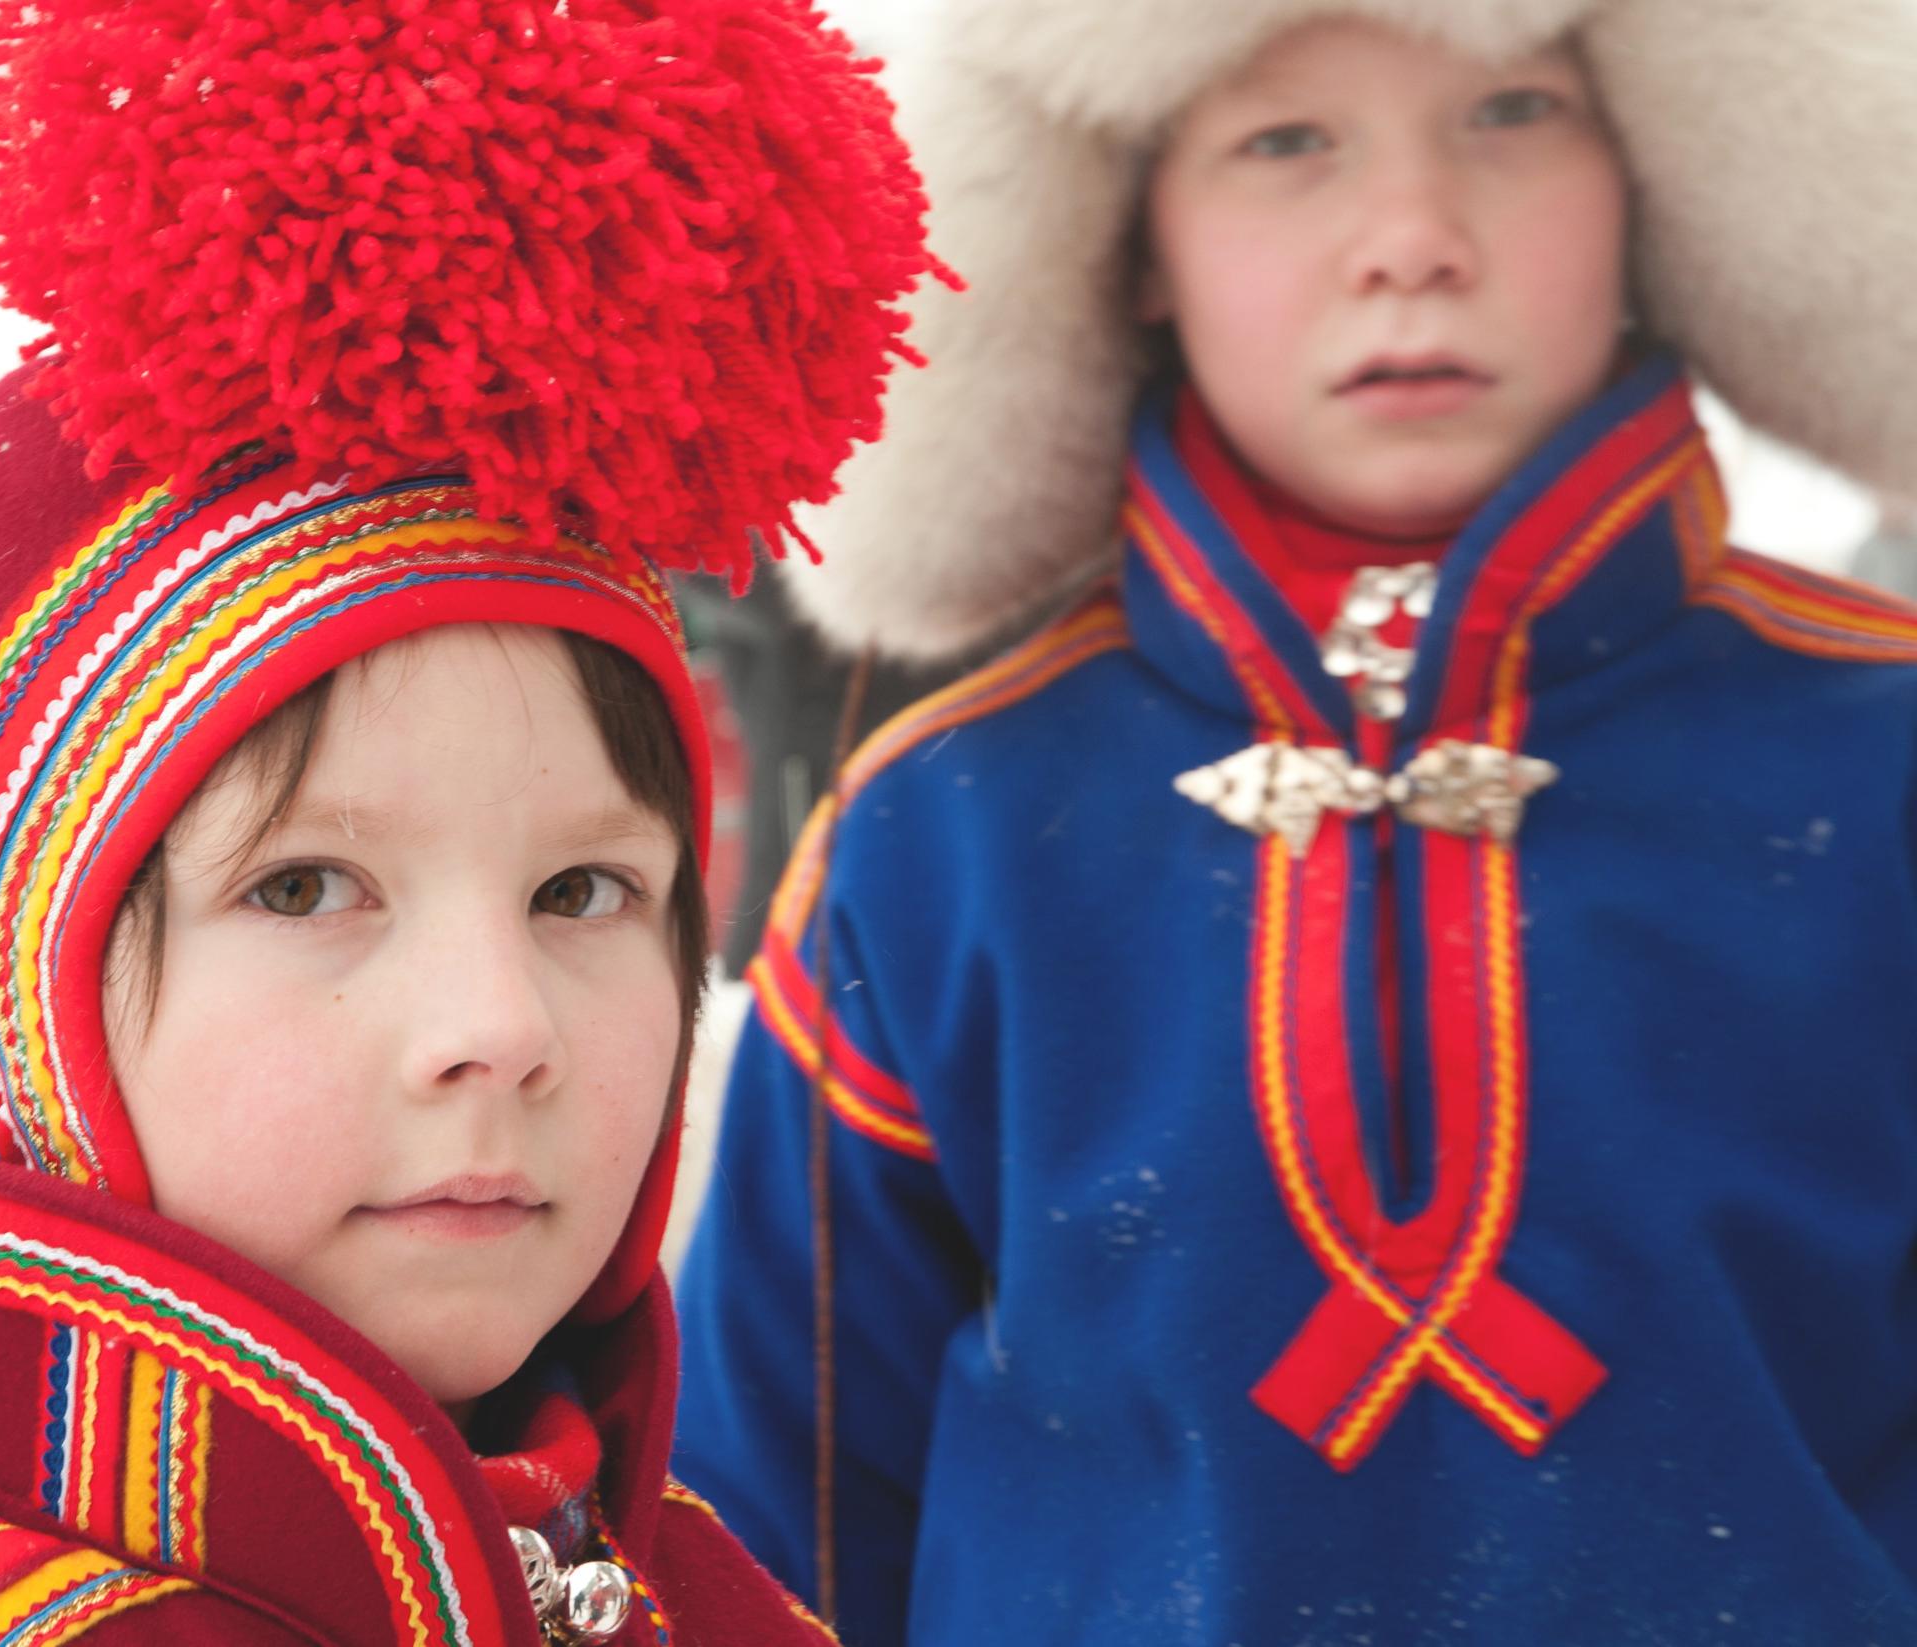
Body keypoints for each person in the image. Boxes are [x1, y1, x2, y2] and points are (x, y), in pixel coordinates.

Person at [0, 0, 944, 1641]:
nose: (499, 1027)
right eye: (311, 885)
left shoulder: (701, 1595)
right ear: (24, 1011)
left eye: (586, 891)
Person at [672, 4, 1917, 1643]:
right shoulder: (941, 841)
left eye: (1517, 111)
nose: (1412, 238)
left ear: (1662, 184)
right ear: (1128, 241)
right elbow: (761, 1541)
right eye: (1285, 141)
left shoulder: (1881, 769)